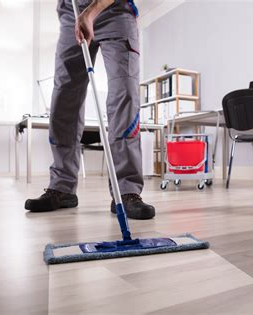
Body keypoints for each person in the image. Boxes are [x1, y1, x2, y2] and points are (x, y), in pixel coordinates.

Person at [25, 0, 155, 220]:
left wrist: (92, 12)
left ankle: (126, 190)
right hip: (72, 11)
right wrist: (79, 13)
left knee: (124, 95)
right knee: (64, 97)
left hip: (116, 10)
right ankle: (62, 186)